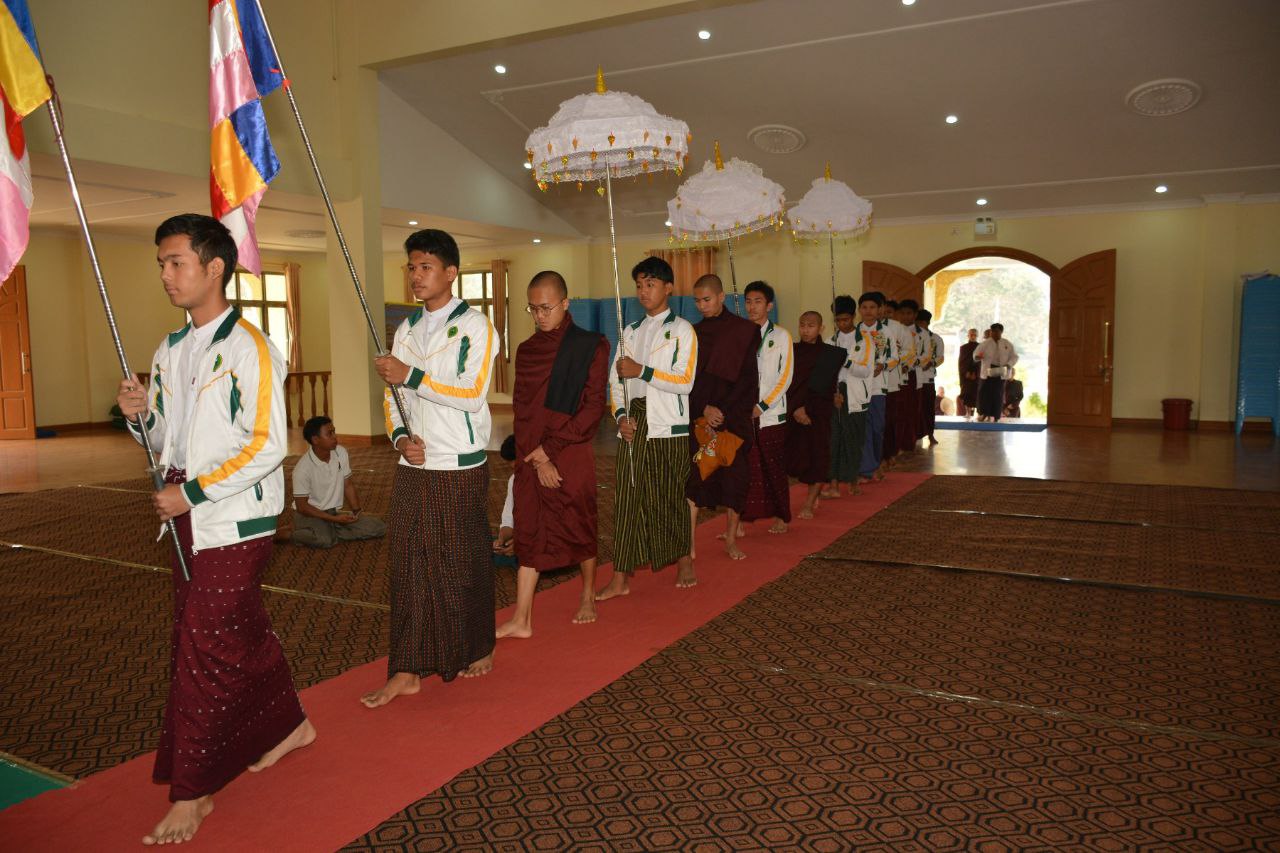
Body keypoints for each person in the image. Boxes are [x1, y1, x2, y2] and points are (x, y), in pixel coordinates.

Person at [116, 213, 314, 846]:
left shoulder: (251, 347)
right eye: (162, 264)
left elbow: (266, 446)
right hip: (185, 516)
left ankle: (194, 790)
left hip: (235, 517)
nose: (166, 275)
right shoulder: (170, 350)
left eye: (176, 262)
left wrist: (193, 492)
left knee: (202, 643)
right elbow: (165, 442)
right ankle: (291, 725)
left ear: (214, 267)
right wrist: (139, 418)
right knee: (233, 631)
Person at [364, 228, 501, 708]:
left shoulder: (477, 327)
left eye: (426, 267)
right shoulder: (406, 330)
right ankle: (406, 668)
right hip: (414, 464)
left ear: (451, 272)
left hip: (458, 464)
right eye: (411, 267)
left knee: (460, 563)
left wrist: (411, 375)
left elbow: (472, 393)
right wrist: (400, 438)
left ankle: (477, 646)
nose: (416, 276)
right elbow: (393, 396)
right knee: (406, 565)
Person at [496, 270, 609, 639]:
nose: (540, 315)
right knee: (529, 526)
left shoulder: (590, 345)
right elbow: (522, 409)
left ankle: (588, 594)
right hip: (531, 454)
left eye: (546, 308)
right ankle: (522, 618)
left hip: (570, 450)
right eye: (533, 308)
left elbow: (592, 408)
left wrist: (550, 451)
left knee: (579, 520)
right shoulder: (527, 350)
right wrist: (532, 457)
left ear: (565, 303)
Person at [597, 256, 698, 599]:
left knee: (670, 497)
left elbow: (685, 381)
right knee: (627, 499)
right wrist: (620, 417)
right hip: (635, 421)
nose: (643, 291)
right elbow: (615, 381)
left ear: (668, 288)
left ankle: (684, 560)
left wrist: (643, 371)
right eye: (639, 285)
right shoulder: (630, 331)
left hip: (669, 425)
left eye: (650, 284)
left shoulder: (682, 330)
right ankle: (620, 577)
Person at [682, 273, 759, 561]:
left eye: (707, 299)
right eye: (697, 301)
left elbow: (749, 380)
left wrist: (723, 411)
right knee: (695, 480)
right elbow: (687, 380)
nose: (702, 306)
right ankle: (689, 545)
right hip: (700, 418)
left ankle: (730, 539)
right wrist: (704, 409)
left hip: (733, 418)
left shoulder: (743, 331)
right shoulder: (692, 334)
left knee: (736, 481)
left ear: (721, 297)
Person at [740, 281, 794, 533]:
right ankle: (741, 520)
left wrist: (763, 405)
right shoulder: (740, 334)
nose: (752, 307)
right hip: (743, 413)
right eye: (748, 301)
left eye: (758, 301)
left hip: (771, 414)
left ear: (769, 306)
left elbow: (785, 376)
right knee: (745, 469)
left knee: (773, 467)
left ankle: (782, 516)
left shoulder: (781, 336)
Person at [290, 416, 386, 548]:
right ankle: (291, 532)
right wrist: (335, 519)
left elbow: (348, 485)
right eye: (329, 434)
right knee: (325, 540)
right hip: (310, 514)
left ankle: (328, 530)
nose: (335, 436)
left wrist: (357, 512)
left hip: (333, 513)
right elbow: (302, 507)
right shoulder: (302, 469)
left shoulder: (340, 452)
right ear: (315, 440)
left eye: (334, 431)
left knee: (378, 527)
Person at [786, 310, 844, 517]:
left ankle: (809, 504)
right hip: (791, 411)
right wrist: (795, 409)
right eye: (802, 325)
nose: (805, 330)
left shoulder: (832, 354)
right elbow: (786, 383)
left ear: (821, 328)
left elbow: (824, 387)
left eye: (811, 326)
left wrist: (806, 408)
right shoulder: (791, 351)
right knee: (792, 457)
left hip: (818, 413)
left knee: (818, 457)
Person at [857, 292, 895, 483]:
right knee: (862, 429)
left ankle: (877, 462)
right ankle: (865, 470)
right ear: (859, 310)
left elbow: (894, 358)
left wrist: (884, 365)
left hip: (878, 387)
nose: (868, 311)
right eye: (864, 307)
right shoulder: (855, 333)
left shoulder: (886, 332)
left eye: (872, 307)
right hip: (857, 388)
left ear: (879, 310)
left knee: (877, 428)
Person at [974, 322, 1019, 422]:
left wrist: (1009, 365)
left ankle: (996, 416)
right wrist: (978, 357)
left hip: (1001, 370)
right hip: (988, 370)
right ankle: (984, 414)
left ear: (1001, 332)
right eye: (992, 331)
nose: (994, 333)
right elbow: (975, 355)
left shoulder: (1007, 343)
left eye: (996, 331)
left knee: (998, 394)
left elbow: (1015, 357)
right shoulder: (985, 343)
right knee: (985, 393)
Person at [915, 310, 944, 445]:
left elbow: (940, 357)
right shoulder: (912, 336)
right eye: (918, 322)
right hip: (914, 377)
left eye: (922, 322)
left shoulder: (936, 339)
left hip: (928, 379)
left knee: (928, 408)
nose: (919, 325)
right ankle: (915, 435)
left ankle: (930, 434)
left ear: (927, 323)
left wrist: (931, 363)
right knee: (915, 408)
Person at [492, 435, 517, 568]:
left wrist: (521, 543)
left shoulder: (548, 477)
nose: (515, 471)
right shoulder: (514, 480)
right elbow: (508, 519)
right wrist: (502, 539)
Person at [957, 328, 979, 417]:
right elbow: (961, 362)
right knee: (966, 393)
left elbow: (980, 361)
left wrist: (976, 373)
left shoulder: (980, 347)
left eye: (974, 335)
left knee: (977, 393)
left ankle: (978, 413)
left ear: (977, 336)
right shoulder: (963, 348)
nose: (973, 336)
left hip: (977, 375)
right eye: (971, 335)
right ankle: (968, 412)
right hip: (966, 376)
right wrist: (966, 373)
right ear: (968, 336)